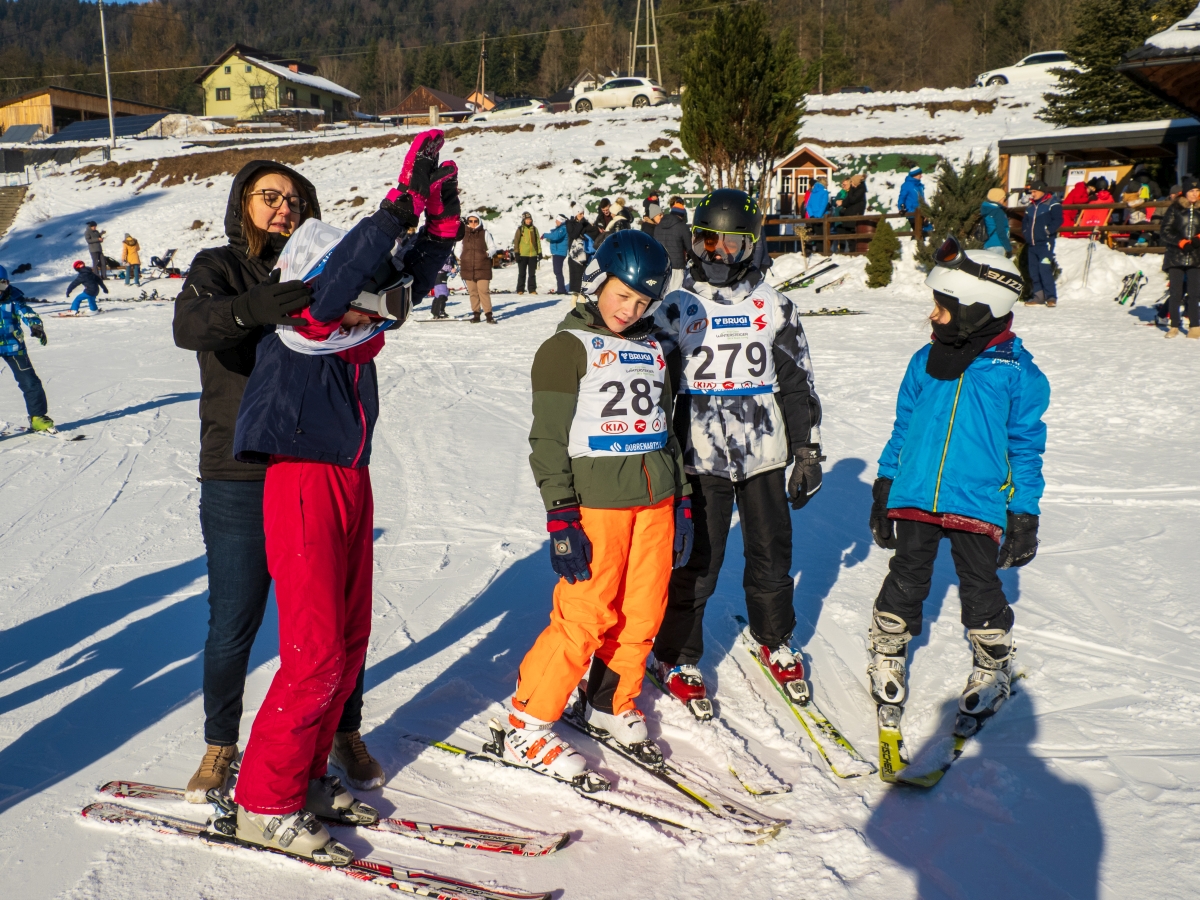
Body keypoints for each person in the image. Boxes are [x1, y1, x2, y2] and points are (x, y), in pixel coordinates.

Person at [228, 130, 458, 862]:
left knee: (348, 644)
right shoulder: (306, 324)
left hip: (349, 480)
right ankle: (264, 801)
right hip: (302, 484)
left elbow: (400, 277)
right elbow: (338, 284)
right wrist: (396, 207)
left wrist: (438, 228)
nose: (379, 310)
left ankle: (305, 775)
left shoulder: (347, 335)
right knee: (316, 651)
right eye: (368, 297)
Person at [172, 160, 383, 803]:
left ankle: (341, 729)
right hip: (240, 469)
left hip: (314, 461)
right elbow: (189, 327)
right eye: (269, 196)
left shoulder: (322, 268)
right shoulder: (218, 266)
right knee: (235, 617)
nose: (282, 208)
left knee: (333, 619)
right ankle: (221, 743)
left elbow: (374, 312)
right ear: (243, 202)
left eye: (294, 199)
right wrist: (250, 309)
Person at [500, 229, 691, 779]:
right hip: (597, 506)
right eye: (621, 295)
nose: (630, 310)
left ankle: (609, 700)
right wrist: (560, 514)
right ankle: (526, 723)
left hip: (655, 503)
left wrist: (681, 500)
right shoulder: (565, 349)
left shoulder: (655, 349)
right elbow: (547, 440)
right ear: (596, 282)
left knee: (643, 610)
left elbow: (666, 430)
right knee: (584, 615)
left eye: (643, 302)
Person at [649, 189, 824, 713]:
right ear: (693, 243)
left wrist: (807, 451)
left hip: (762, 452)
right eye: (709, 241)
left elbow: (798, 382)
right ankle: (676, 653)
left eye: (734, 243)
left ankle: (774, 637)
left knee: (771, 553)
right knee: (697, 559)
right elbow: (656, 389)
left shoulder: (775, 306)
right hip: (699, 455)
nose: (720, 253)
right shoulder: (677, 307)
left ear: (752, 246)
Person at [867, 236, 1048, 730]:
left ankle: (992, 665)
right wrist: (885, 482)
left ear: (976, 310)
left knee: (981, 587)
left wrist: (1024, 512)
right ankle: (887, 648)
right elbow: (904, 427)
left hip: (977, 499)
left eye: (942, 308)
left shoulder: (1017, 373)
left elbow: (1025, 447)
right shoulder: (924, 360)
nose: (933, 316)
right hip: (917, 492)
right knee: (906, 577)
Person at [0, 265, 53, 433]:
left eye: (2, 284)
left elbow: (26, 312)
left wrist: (35, 325)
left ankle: (38, 418)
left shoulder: (13, 298)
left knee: (30, 382)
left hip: (14, 346)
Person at [1159, 175, 1200, 339]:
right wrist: (1181, 242)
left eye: (1197, 190)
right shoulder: (1175, 208)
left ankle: (1195, 326)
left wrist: (1198, 238)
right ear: (1185, 192)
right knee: (1176, 293)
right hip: (1176, 256)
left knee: (1194, 293)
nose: (1195, 194)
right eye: (1191, 190)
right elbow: (1165, 231)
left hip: (1196, 256)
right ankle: (1174, 326)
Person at [1021, 180, 1063, 308]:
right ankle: (1038, 296)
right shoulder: (1030, 206)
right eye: (1031, 192)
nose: (1032, 194)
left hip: (1045, 244)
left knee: (1044, 270)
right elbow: (1025, 222)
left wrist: (1047, 231)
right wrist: (1026, 233)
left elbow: (1058, 219)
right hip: (1032, 244)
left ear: (1041, 191)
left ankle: (1051, 297)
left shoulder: (1052, 204)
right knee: (1033, 271)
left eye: (1034, 191)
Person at [456, 214, 497, 323]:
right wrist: (463, 257)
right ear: (467, 222)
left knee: (484, 291)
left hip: (483, 267)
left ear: (479, 221)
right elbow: (457, 249)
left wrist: (487, 254)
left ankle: (489, 315)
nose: (473, 223)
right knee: (473, 292)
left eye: (475, 221)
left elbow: (492, 247)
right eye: (470, 221)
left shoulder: (485, 233)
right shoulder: (463, 233)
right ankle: (476, 314)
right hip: (468, 267)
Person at [654, 197, 691, 295]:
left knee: (663, 293)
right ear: (682, 215)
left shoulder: (658, 226)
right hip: (677, 266)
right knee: (676, 293)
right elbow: (689, 247)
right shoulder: (682, 226)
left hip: (662, 265)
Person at [564, 207, 598, 293]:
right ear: (576, 214)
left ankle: (582, 298)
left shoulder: (585, 223)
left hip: (585, 254)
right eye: (580, 214)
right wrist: (581, 224)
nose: (582, 215)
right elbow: (574, 234)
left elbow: (594, 232)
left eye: (583, 213)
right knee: (575, 280)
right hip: (574, 255)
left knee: (583, 280)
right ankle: (575, 298)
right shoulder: (570, 223)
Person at [513, 211, 541, 295]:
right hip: (522, 254)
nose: (529, 221)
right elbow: (516, 241)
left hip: (533, 254)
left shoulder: (534, 229)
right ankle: (520, 289)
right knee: (522, 273)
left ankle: (532, 289)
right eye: (527, 219)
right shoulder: (520, 229)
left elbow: (538, 241)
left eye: (530, 219)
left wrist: (539, 252)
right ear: (523, 220)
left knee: (532, 274)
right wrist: (516, 253)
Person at [542, 213, 570, 294]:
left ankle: (561, 289)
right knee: (557, 271)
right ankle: (560, 288)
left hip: (560, 253)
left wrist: (545, 235)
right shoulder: (560, 228)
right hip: (557, 252)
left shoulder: (563, 228)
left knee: (558, 271)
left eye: (557, 220)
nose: (555, 222)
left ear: (561, 221)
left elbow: (556, 236)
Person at [981, 187, 1012, 255]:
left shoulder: (987, 210)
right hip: (998, 245)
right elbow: (1001, 231)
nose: (1004, 200)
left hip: (988, 244)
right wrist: (1008, 248)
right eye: (1003, 198)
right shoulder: (998, 212)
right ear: (999, 198)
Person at [431, 252, 456, 318]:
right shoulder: (441, 252)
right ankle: (439, 312)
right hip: (439, 274)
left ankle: (435, 312)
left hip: (443, 275)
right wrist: (451, 269)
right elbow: (440, 264)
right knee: (442, 294)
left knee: (440, 294)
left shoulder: (449, 252)